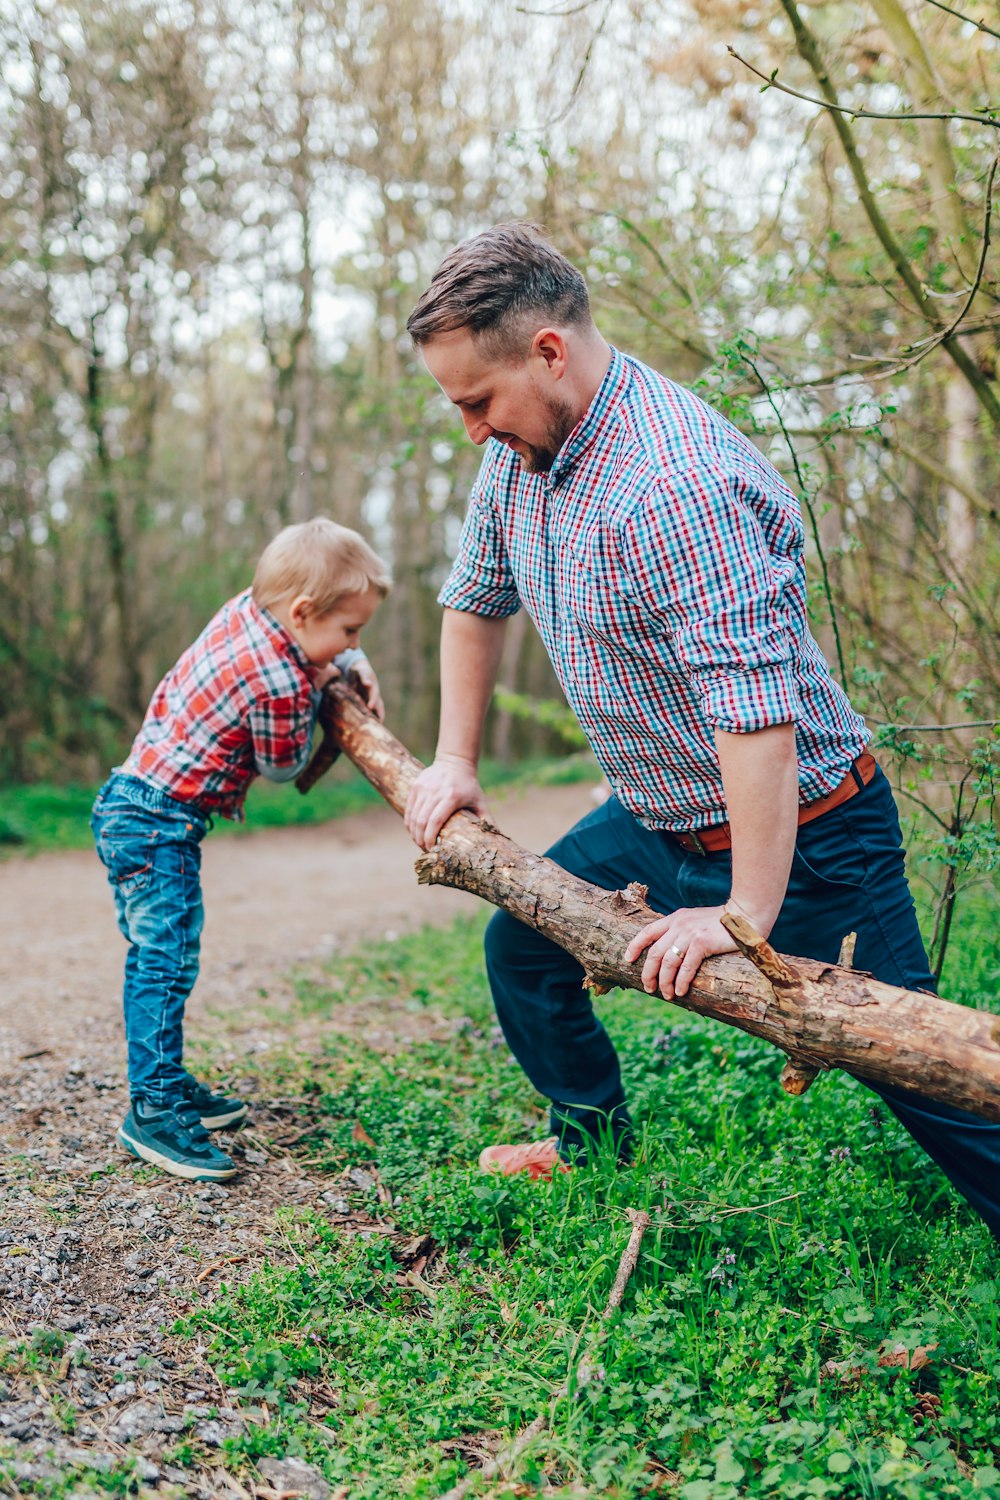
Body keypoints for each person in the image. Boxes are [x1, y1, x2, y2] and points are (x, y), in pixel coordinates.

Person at [403, 222, 1000, 1235]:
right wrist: (454, 759)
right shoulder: (521, 449)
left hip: (807, 837)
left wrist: (742, 912)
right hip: (659, 817)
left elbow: (757, 714)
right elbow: (474, 597)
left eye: (476, 402)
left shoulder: (674, 484)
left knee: (924, 1073)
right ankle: (591, 1138)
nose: (470, 430)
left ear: (547, 351)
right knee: (527, 946)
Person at [92, 517, 390, 1182]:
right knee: (163, 964)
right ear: (305, 612)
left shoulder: (247, 609)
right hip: (155, 825)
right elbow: (281, 767)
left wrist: (344, 662)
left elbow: (313, 645)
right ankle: (154, 1109)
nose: (353, 644)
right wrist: (321, 693)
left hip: (131, 806)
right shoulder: (281, 683)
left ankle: (162, 1077)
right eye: (350, 632)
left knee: (162, 957)